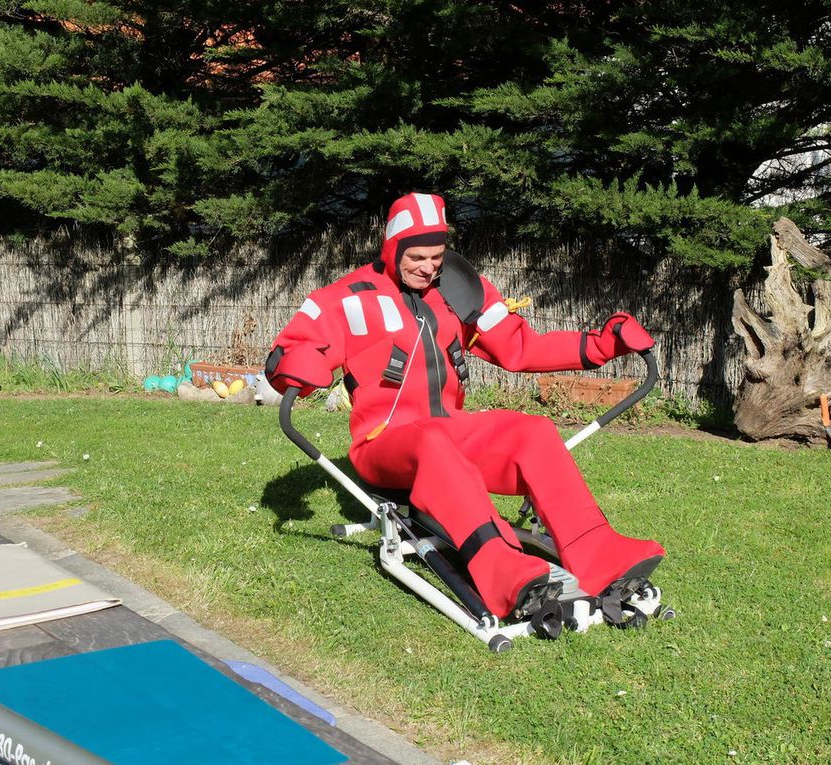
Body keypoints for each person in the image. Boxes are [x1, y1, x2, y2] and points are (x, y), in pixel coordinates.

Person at [265, 192, 664, 618]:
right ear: (392, 248)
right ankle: (502, 570)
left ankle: (600, 553)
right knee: (433, 439)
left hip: (450, 431)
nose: (428, 267)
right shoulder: (347, 299)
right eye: (416, 256)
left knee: (533, 432)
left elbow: (520, 347)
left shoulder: (460, 290)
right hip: (382, 445)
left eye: (436, 256)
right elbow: (288, 350)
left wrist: (602, 345)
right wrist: (295, 366)